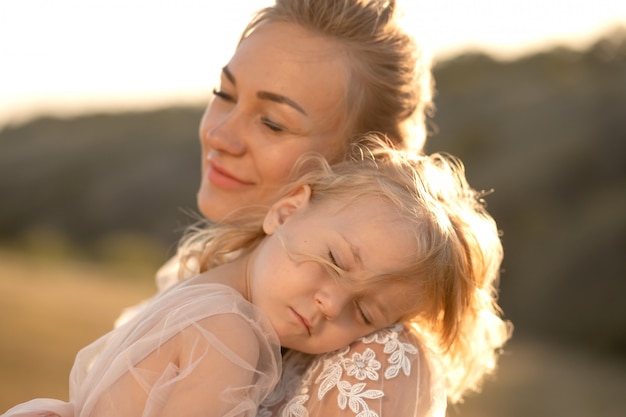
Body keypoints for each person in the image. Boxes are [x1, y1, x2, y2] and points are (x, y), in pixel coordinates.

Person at [114, 0, 509, 415]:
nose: (218, 134)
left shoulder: (371, 366)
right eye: (224, 94)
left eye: (273, 122)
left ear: (365, 163)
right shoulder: (198, 282)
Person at [2, 139, 507, 417]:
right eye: (334, 260)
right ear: (286, 212)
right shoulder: (230, 336)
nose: (331, 304)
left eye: (366, 313)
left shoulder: (192, 293)